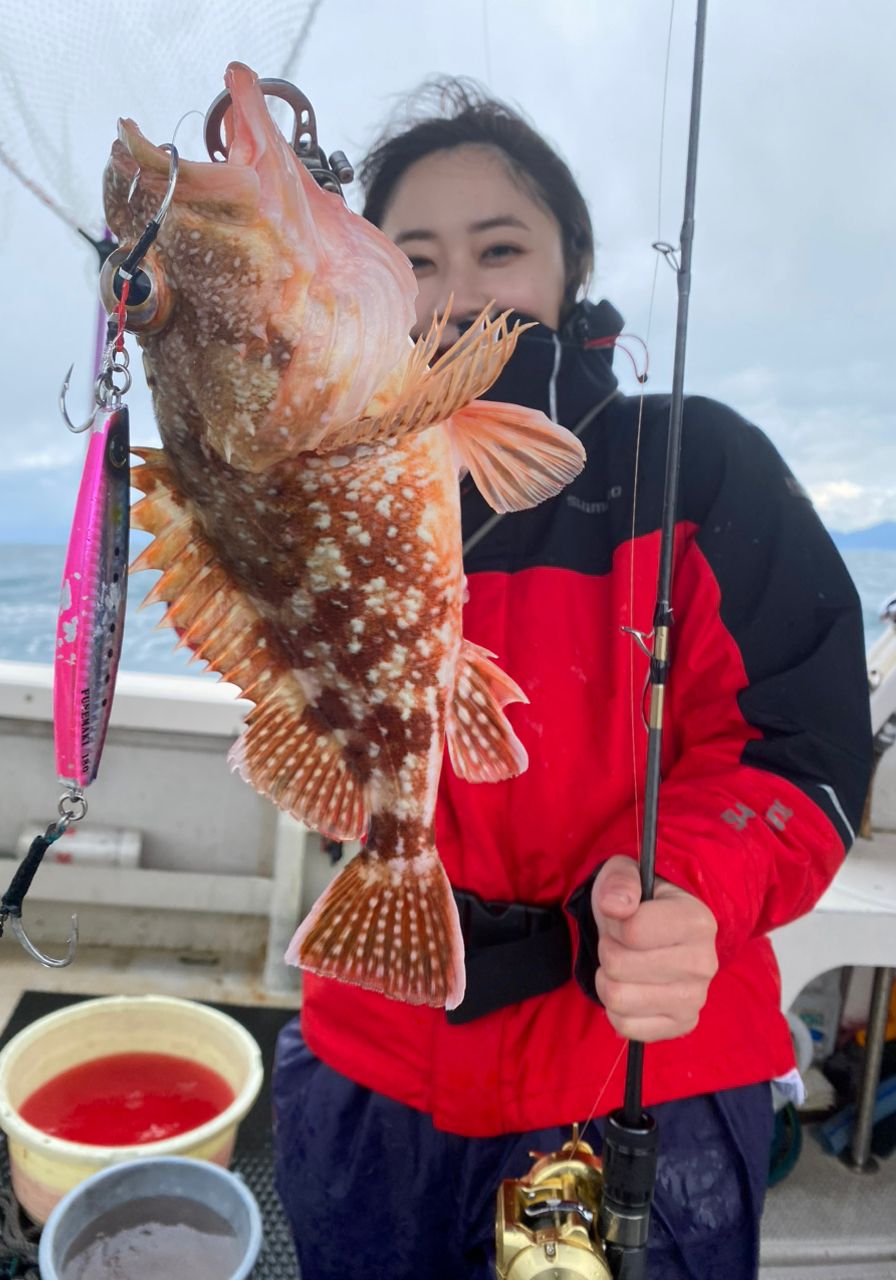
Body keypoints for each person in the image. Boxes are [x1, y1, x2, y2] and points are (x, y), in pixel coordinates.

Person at [271, 79, 872, 1280]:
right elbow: (279, 670)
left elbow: (803, 752)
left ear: (572, 264)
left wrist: (688, 889)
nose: (461, 289)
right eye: (416, 256)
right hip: (378, 1048)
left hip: (641, 1059)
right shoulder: (328, 467)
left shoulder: (696, 463)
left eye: (502, 248)